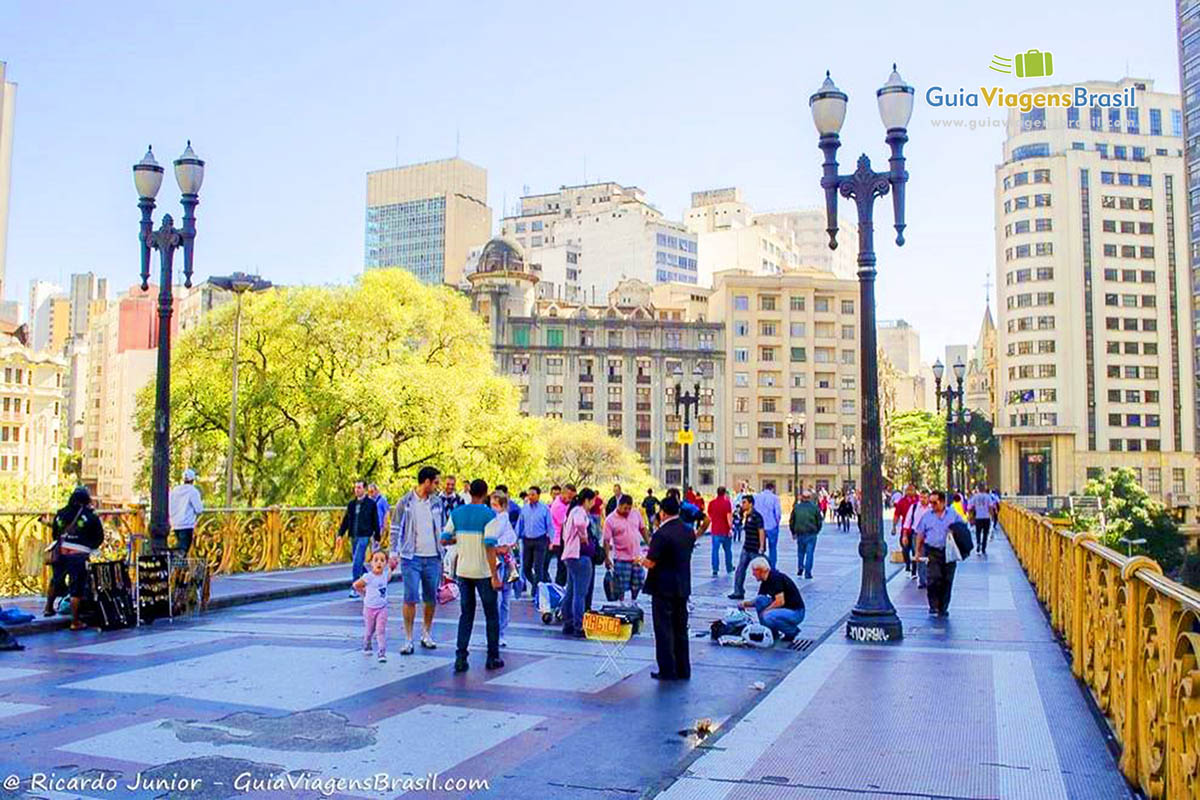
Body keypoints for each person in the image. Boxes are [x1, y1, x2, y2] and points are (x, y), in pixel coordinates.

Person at [443, 478, 504, 672]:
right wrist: (495, 575)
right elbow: (489, 545)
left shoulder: (457, 513)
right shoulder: (489, 515)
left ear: (470, 493)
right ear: (486, 493)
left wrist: (460, 539)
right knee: (491, 615)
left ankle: (461, 657)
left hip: (463, 571)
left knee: (466, 614)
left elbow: (444, 539)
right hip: (483, 572)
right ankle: (492, 657)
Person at [390, 466, 447, 654]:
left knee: (431, 598)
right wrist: (393, 552)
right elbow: (395, 527)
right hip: (411, 557)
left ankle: (426, 633)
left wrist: (445, 551)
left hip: (433, 557)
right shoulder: (405, 502)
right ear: (427, 482)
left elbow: (444, 527)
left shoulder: (437, 502)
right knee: (410, 597)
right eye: (436, 482)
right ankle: (408, 638)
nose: (438, 486)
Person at [640, 496, 695, 680]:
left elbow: (651, 562)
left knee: (664, 629)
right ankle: (683, 668)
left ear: (662, 512)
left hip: (663, 587)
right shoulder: (688, 531)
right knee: (680, 628)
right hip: (682, 586)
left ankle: (667, 669)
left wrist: (640, 560)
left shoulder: (661, 534)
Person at [45, 487, 105, 630]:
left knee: (56, 579)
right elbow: (99, 537)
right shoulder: (90, 516)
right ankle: (75, 621)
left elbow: (55, 534)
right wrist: (89, 546)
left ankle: (48, 608)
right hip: (79, 554)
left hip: (60, 552)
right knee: (76, 586)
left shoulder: (60, 514)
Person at [914, 491, 964, 617]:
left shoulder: (953, 515)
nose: (932, 505)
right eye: (930, 503)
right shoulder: (927, 516)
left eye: (934, 503)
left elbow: (963, 528)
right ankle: (933, 605)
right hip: (933, 551)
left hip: (949, 552)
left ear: (942, 502)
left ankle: (943, 607)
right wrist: (917, 551)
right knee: (933, 579)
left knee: (947, 580)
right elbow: (920, 534)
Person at [736, 557, 805, 640]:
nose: (753, 574)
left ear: (760, 570)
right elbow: (758, 600)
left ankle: (791, 631)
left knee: (768, 616)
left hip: (796, 612)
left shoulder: (775, 578)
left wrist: (765, 611)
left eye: (754, 570)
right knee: (760, 600)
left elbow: (780, 602)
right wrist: (744, 604)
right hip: (785, 609)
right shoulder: (765, 580)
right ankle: (770, 632)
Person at [559, 488, 595, 638]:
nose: (593, 504)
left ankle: (567, 622)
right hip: (580, 556)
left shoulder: (571, 511)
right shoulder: (580, 511)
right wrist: (584, 536)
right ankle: (578, 625)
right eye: (592, 501)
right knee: (580, 593)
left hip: (569, 556)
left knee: (571, 591)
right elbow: (580, 524)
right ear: (587, 500)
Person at [337, 480, 380, 598]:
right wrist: (340, 534)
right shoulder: (351, 504)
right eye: (355, 488)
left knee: (357, 560)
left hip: (365, 535)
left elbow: (375, 520)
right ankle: (371, 580)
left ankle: (355, 587)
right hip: (354, 535)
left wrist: (377, 537)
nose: (357, 490)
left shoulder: (371, 504)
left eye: (359, 488)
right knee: (358, 561)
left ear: (365, 489)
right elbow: (346, 520)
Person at [603, 494, 649, 605]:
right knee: (621, 583)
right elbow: (606, 540)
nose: (627, 511)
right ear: (619, 505)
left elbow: (642, 529)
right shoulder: (610, 520)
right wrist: (606, 558)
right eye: (625, 508)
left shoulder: (635, 513)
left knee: (638, 581)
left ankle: (634, 600)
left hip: (636, 556)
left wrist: (649, 543)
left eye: (629, 508)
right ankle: (621, 602)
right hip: (621, 557)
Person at [353, 549, 397, 662]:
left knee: (380, 631)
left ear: (385, 563)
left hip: (382, 609)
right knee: (369, 630)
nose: (379, 563)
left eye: (382, 560)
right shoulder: (368, 577)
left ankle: (382, 652)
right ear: (371, 563)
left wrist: (392, 567)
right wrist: (364, 594)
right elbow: (356, 585)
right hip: (369, 609)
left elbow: (389, 576)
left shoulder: (385, 576)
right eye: (376, 560)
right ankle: (367, 644)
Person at [487, 491, 518, 647]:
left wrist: (506, 546)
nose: (492, 508)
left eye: (495, 505)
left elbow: (511, 537)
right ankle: (494, 632)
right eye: (491, 504)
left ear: (503, 506)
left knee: (505, 600)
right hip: (496, 559)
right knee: (497, 599)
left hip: (506, 558)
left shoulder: (504, 519)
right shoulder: (490, 519)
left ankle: (501, 632)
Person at [517, 485, 552, 601]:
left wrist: (552, 541)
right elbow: (520, 524)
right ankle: (536, 584)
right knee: (526, 567)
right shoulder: (524, 509)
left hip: (540, 540)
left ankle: (537, 592)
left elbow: (550, 526)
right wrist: (515, 539)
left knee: (538, 567)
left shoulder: (544, 509)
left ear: (538, 495)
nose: (530, 497)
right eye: (529, 494)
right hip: (527, 540)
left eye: (533, 494)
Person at [728, 495, 765, 600]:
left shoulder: (756, 516)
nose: (742, 504)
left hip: (755, 549)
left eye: (744, 502)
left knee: (762, 571)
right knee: (740, 570)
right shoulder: (746, 515)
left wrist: (761, 547)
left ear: (751, 504)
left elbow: (761, 531)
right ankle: (738, 592)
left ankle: (768, 591)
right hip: (746, 547)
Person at [168, 468, 203, 556]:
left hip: (175, 523)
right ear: (193, 480)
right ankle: (172, 564)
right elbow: (199, 509)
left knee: (179, 547)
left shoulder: (175, 490)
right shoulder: (193, 491)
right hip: (187, 524)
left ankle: (176, 567)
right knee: (183, 549)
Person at [789, 489, 822, 579]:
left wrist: (793, 532)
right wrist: (817, 530)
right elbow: (819, 520)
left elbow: (792, 521)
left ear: (802, 497)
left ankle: (800, 567)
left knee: (800, 552)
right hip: (811, 533)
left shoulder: (797, 507)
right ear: (810, 497)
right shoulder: (814, 507)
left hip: (800, 533)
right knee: (810, 553)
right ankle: (808, 572)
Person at [902, 490, 932, 586]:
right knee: (919, 556)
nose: (922, 500)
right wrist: (905, 535)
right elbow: (907, 521)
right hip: (917, 535)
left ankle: (929, 577)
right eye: (921, 497)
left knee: (931, 557)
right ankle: (923, 580)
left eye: (925, 497)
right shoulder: (914, 507)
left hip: (930, 535)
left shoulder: (932, 508)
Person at [547, 484, 575, 586]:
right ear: (563, 494)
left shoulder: (565, 504)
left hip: (562, 538)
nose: (570, 500)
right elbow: (565, 521)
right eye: (569, 497)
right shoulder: (558, 506)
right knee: (562, 566)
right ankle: (560, 586)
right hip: (558, 540)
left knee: (563, 566)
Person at [706, 487, 734, 577]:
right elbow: (729, 517)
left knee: (715, 550)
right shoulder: (727, 503)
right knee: (728, 550)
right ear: (724, 493)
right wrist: (730, 528)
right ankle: (729, 567)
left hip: (715, 530)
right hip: (725, 530)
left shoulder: (712, 503)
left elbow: (709, 516)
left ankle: (715, 569)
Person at [754, 482, 782, 568]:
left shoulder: (757, 497)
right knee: (772, 548)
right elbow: (777, 513)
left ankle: (761, 565)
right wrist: (777, 522)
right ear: (772, 489)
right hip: (771, 525)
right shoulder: (775, 498)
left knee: (760, 547)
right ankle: (772, 566)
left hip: (759, 526)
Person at [967, 484, 997, 555]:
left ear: (978, 489)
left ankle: (978, 543)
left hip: (978, 517)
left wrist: (971, 515)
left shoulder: (975, 497)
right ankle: (983, 547)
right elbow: (990, 507)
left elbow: (969, 507)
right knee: (985, 533)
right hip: (986, 517)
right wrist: (992, 516)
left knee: (978, 532)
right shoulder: (987, 497)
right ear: (984, 488)